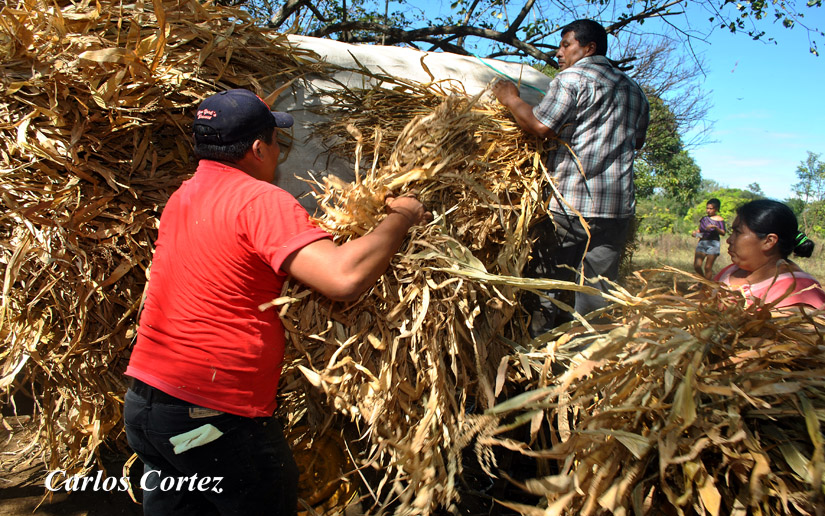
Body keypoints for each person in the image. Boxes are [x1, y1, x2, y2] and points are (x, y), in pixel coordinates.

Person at [123, 89, 430, 515]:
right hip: (213, 417)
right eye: (275, 142)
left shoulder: (184, 196)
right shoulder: (261, 200)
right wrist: (401, 216)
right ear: (257, 148)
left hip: (147, 404)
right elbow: (343, 277)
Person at [492, 19, 650, 334]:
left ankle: (538, 354)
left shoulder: (573, 78)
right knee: (597, 292)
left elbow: (541, 126)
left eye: (566, 45)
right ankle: (587, 359)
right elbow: (638, 142)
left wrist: (510, 98)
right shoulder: (635, 91)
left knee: (548, 286)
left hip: (572, 205)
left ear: (589, 48)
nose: (560, 52)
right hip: (616, 210)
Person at [715, 199, 825, 310]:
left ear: (769, 241)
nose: (729, 240)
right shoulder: (730, 272)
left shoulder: (799, 292)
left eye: (738, 233)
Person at [691, 198, 726, 279]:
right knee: (697, 266)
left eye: (711, 208)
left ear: (716, 209)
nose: (708, 210)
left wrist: (715, 228)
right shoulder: (704, 219)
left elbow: (723, 233)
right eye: (707, 208)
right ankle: (703, 281)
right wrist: (695, 234)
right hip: (702, 242)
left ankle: (706, 286)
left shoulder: (720, 220)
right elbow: (700, 232)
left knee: (707, 267)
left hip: (713, 244)